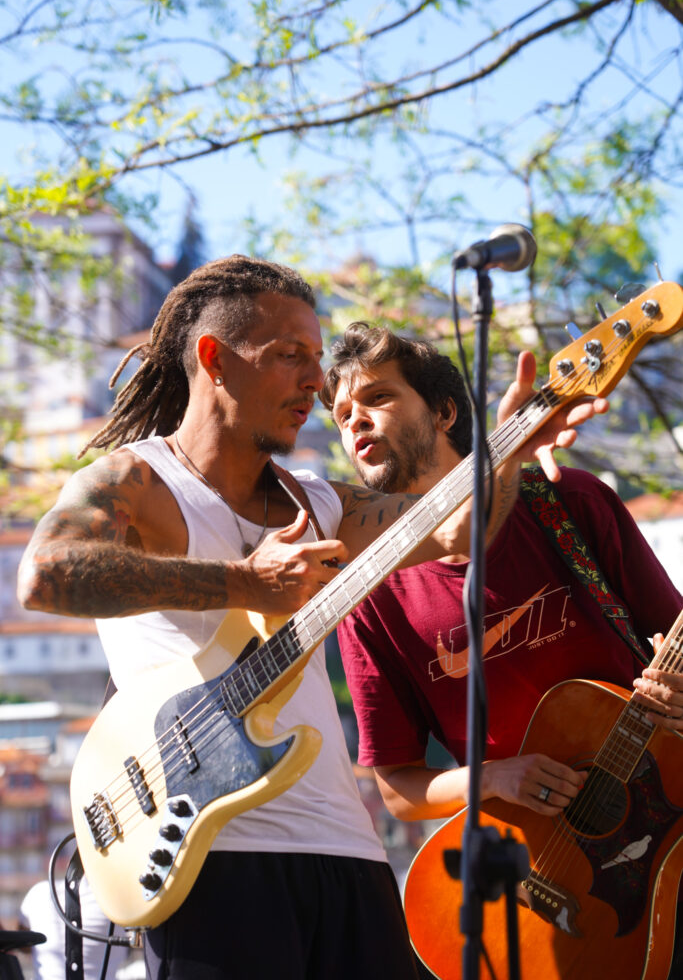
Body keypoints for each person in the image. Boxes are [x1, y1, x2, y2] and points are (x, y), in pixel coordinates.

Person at [17, 257, 604, 980]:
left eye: (317, 360)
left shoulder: (325, 504)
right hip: (208, 849)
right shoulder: (135, 481)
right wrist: (241, 582)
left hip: (345, 849)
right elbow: (45, 576)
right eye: (290, 356)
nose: (317, 383)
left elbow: (454, 529)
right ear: (214, 359)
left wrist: (515, 440)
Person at [320, 321, 683, 975]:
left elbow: (675, 638)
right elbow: (399, 788)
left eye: (376, 398)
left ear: (444, 410)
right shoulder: (368, 590)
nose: (355, 422)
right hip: (523, 878)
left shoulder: (567, 501)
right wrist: (496, 780)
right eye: (343, 413)